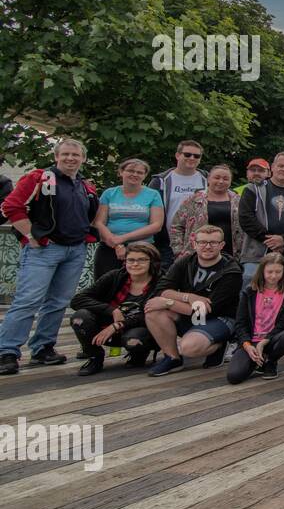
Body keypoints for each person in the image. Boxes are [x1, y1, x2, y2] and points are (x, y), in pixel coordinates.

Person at [0, 138, 99, 376]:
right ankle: (7, 352)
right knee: (28, 300)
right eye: (65, 154)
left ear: (83, 159)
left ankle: (43, 348)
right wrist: (31, 236)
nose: (70, 158)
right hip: (44, 249)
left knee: (57, 303)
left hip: (75, 250)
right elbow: (11, 206)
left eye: (75, 155)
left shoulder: (86, 186)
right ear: (56, 156)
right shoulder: (39, 178)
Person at [144, 224, 242, 376]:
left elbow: (208, 310)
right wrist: (188, 297)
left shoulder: (231, 271)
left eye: (213, 243)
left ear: (221, 245)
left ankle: (219, 345)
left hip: (220, 319)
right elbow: (161, 290)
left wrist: (169, 302)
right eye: (202, 242)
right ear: (194, 244)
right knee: (153, 312)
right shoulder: (185, 262)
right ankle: (172, 358)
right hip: (190, 314)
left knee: (189, 347)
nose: (207, 246)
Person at [69, 241, 161, 375]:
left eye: (142, 260)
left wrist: (118, 325)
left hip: (139, 328)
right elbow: (77, 299)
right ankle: (95, 357)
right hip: (108, 325)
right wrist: (112, 310)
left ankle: (139, 354)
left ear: (152, 262)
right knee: (80, 317)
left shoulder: (160, 281)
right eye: (131, 260)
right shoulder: (115, 276)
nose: (135, 264)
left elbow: (149, 315)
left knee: (134, 340)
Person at [238, 151, 284, 289]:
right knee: (250, 295)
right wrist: (272, 241)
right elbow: (245, 218)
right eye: (281, 165)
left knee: (280, 300)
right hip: (256, 255)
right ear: (272, 167)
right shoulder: (253, 189)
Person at [227, 252, 284, 383]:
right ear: (262, 271)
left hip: (272, 339)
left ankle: (271, 361)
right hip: (251, 340)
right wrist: (247, 344)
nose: (274, 276)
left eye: (278, 272)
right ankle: (257, 361)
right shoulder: (249, 291)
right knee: (234, 376)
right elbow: (240, 323)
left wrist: (264, 341)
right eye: (270, 272)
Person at [92, 158, 164, 278]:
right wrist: (117, 245)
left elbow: (156, 225)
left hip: (142, 248)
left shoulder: (153, 195)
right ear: (121, 172)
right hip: (110, 248)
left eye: (140, 172)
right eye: (130, 170)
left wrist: (122, 239)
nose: (135, 174)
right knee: (105, 287)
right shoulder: (109, 193)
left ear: (145, 175)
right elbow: (98, 222)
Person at [148, 139, 206, 269]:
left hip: (202, 243)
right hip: (166, 243)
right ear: (177, 155)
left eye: (197, 156)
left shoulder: (208, 180)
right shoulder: (160, 181)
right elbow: (150, 211)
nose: (192, 158)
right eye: (187, 154)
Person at [171, 163, 243, 260]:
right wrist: (179, 252)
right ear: (208, 179)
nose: (221, 181)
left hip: (232, 254)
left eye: (226, 179)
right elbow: (176, 227)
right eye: (217, 178)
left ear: (230, 181)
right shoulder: (193, 200)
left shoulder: (239, 201)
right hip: (196, 255)